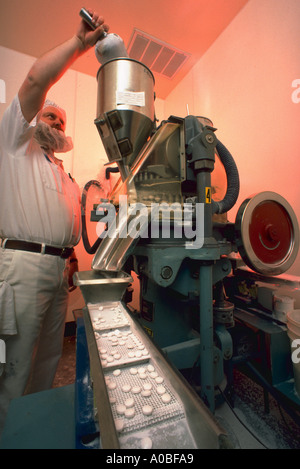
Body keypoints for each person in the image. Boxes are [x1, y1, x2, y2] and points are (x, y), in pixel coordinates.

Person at [0, 10, 109, 437]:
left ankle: (34, 432)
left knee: (47, 361)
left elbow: (70, 225)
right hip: (22, 269)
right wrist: (80, 44)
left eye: (61, 121)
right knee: (17, 365)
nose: (57, 124)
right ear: (33, 121)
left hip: (58, 272)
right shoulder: (15, 145)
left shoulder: (61, 172)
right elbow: (34, 83)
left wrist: (69, 261)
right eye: (50, 117)